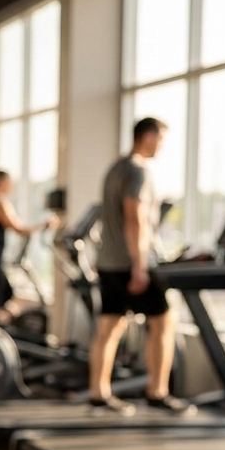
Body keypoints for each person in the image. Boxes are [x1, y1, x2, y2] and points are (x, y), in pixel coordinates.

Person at [87, 118, 189, 414]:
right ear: (147, 136)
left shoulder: (115, 169)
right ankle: (157, 391)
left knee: (109, 324)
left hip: (108, 260)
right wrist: (140, 266)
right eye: (160, 139)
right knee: (163, 321)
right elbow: (135, 217)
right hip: (130, 261)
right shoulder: (138, 171)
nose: (161, 146)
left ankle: (98, 391)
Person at [0, 168, 56, 324]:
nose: (11, 187)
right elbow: (20, 229)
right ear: (0, 183)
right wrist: (44, 224)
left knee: (5, 292)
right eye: (8, 183)